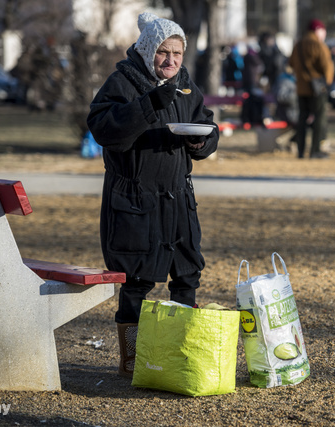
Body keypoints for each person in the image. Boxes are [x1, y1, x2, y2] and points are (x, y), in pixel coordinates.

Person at [86, 12, 219, 378]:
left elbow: (208, 124)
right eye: (164, 52)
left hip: (177, 197)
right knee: (136, 280)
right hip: (134, 201)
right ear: (148, 51)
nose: (171, 61)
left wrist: (202, 140)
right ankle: (131, 358)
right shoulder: (123, 82)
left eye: (177, 53)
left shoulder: (185, 83)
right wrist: (150, 104)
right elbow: (104, 128)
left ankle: (182, 351)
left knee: (188, 273)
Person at [288, 19, 334, 159]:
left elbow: (291, 63)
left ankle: (300, 151)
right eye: (323, 30)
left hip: (301, 88)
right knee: (319, 119)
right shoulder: (318, 45)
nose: (324, 33)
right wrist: (327, 83)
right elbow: (327, 67)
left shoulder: (298, 45)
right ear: (317, 30)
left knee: (302, 119)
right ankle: (315, 151)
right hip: (317, 89)